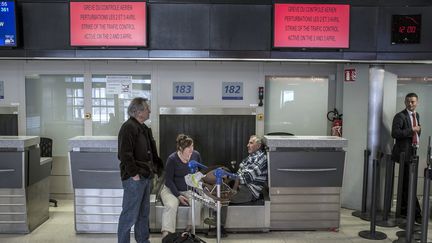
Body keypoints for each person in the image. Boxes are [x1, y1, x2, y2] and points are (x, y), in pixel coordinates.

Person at [117, 97, 163, 243]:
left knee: (144, 213)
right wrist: (134, 174)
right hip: (134, 179)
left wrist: (155, 169)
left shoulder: (143, 128)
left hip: (146, 177)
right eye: (147, 108)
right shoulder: (128, 127)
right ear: (138, 111)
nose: (149, 110)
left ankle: (143, 240)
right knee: (129, 214)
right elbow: (124, 154)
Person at [205, 135, 268, 236]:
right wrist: (229, 177)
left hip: (249, 191)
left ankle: (220, 228)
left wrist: (229, 178)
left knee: (223, 195)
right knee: (221, 180)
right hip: (241, 186)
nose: (248, 145)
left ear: (258, 145)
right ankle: (215, 221)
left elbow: (247, 178)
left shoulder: (261, 158)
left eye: (251, 143)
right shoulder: (252, 156)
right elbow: (240, 174)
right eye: (248, 143)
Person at [160, 134, 202, 238]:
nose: (191, 150)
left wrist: (198, 187)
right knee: (171, 204)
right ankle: (167, 235)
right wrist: (178, 195)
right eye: (188, 147)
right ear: (180, 148)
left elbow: (200, 172)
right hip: (170, 189)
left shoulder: (196, 155)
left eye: (192, 146)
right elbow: (168, 180)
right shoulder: (172, 159)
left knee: (197, 202)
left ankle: (188, 229)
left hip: (188, 189)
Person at [391, 92, 422, 224]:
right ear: (405, 102)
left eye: (413, 101)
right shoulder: (400, 116)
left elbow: (417, 131)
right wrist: (413, 130)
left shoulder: (416, 115)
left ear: (417, 102)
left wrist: (417, 131)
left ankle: (404, 211)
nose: (410, 104)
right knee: (410, 184)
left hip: (413, 152)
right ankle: (417, 213)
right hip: (404, 155)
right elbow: (395, 133)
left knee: (406, 183)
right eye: (408, 101)